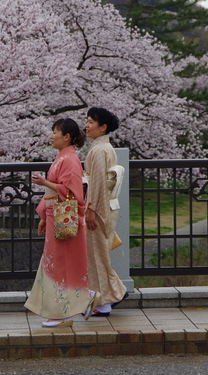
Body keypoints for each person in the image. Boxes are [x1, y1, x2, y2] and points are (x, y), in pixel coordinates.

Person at [25, 118, 98, 328]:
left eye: (54, 132)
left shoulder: (70, 160)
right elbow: (57, 190)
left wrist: (44, 182)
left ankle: (66, 312)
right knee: (57, 264)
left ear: (66, 137)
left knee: (62, 265)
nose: (51, 136)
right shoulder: (63, 158)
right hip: (55, 217)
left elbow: (72, 193)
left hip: (64, 219)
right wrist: (43, 218)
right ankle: (81, 299)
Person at [84, 107, 127, 316]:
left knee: (97, 256)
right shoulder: (104, 148)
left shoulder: (99, 150)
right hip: (106, 207)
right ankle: (110, 295)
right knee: (99, 255)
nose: (87, 125)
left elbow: (98, 183)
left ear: (103, 128)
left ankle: (107, 300)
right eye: (87, 121)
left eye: (92, 122)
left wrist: (90, 209)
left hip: (99, 209)